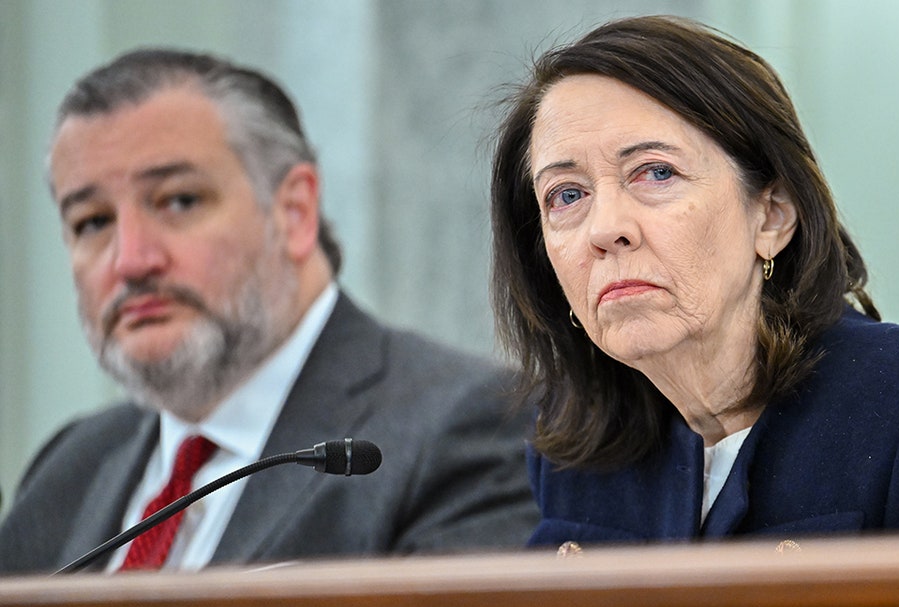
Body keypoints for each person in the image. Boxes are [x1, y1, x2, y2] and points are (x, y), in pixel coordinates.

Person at [489, 15, 899, 548]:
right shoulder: (576, 442)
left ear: (771, 216)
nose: (606, 229)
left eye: (656, 172)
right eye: (567, 195)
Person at [0, 49, 538, 575]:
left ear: (294, 212)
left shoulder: (472, 426)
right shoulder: (70, 465)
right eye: (92, 221)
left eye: (179, 201)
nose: (132, 260)